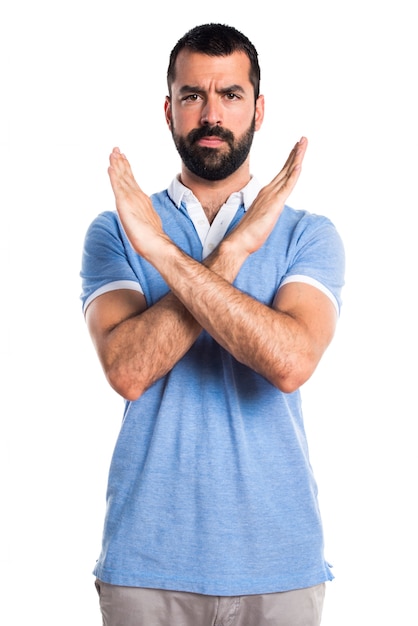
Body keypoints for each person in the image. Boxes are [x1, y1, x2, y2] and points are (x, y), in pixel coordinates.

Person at [80, 23, 345, 626]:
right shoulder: (119, 229)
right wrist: (231, 253)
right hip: (146, 568)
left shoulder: (307, 234)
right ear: (169, 108)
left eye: (230, 94)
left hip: (279, 568)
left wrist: (168, 258)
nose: (211, 113)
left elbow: (289, 362)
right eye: (194, 95)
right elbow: (127, 370)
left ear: (258, 108)